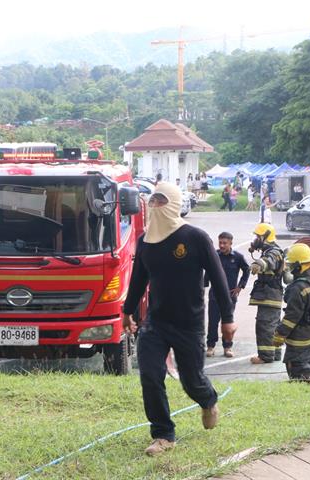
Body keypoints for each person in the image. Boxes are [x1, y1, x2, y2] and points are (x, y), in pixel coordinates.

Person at [122, 182, 235, 456]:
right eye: (152, 201)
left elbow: (219, 279)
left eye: (161, 201)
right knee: (150, 374)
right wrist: (127, 311)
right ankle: (163, 434)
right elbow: (138, 280)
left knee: (191, 380)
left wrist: (227, 318)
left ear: (172, 204)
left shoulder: (194, 237)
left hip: (189, 323)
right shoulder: (145, 241)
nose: (155, 206)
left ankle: (208, 401)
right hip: (156, 322)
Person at [272, 243, 310, 380]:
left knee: (299, 371)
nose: (290, 268)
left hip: (299, 339)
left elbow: (292, 316)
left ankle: (305, 395)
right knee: (308, 366)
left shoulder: (297, 288)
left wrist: (279, 334)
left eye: (292, 265)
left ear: (300, 266)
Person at [204, 232, 250, 358]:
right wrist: (204, 285)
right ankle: (210, 346)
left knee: (227, 322)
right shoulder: (215, 256)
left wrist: (240, 286)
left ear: (231, 243)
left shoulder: (238, 257)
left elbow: (247, 269)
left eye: (225, 243)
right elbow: (208, 270)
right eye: (220, 242)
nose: (222, 245)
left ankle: (227, 347)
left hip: (230, 296)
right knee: (213, 322)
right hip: (215, 295)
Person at [248, 223, 285, 364]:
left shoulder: (274, 252)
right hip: (270, 295)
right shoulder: (269, 250)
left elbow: (269, 262)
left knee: (265, 325)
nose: (255, 239)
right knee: (273, 326)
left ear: (265, 236)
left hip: (269, 296)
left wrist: (259, 264)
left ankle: (265, 356)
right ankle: (274, 354)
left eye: (258, 236)